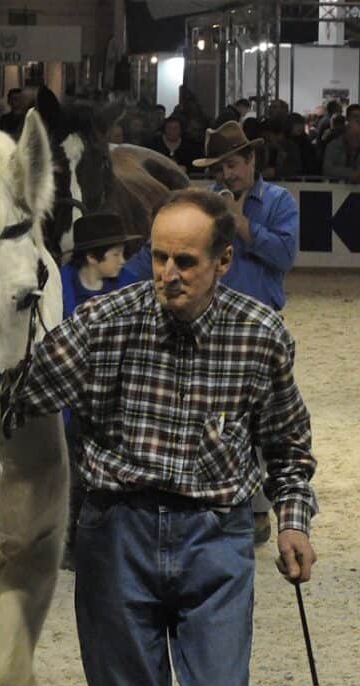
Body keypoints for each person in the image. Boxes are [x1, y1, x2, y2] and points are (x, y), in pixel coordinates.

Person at [14, 188, 317, 686]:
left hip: (216, 540)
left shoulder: (259, 336)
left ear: (223, 262)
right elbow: (17, 393)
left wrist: (291, 519)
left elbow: (288, 446)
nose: (167, 273)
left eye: (186, 260)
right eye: (158, 256)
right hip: (114, 535)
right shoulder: (105, 324)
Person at [127, 121, 299, 544]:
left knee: (265, 417)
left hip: (261, 324)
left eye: (234, 165)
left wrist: (242, 226)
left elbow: (285, 255)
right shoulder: (202, 205)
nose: (228, 174)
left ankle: (258, 506)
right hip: (210, 323)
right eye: (221, 167)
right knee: (218, 414)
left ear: (251, 160)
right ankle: (216, 497)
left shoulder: (278, 202)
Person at [59, 212, 141, 570]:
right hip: (71, 399)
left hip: (113, 398)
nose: (123, 261)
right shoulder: (59, 286)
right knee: (73, 474)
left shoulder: (129, 284)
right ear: (92, 257)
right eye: (116, 254)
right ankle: (71, 540)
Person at [322, 117, 360, 183]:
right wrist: (350, 173)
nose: (358, 139)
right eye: (355, 135)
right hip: (334, 188)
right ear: (346, 133)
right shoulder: (333, 146)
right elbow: (327, 169)